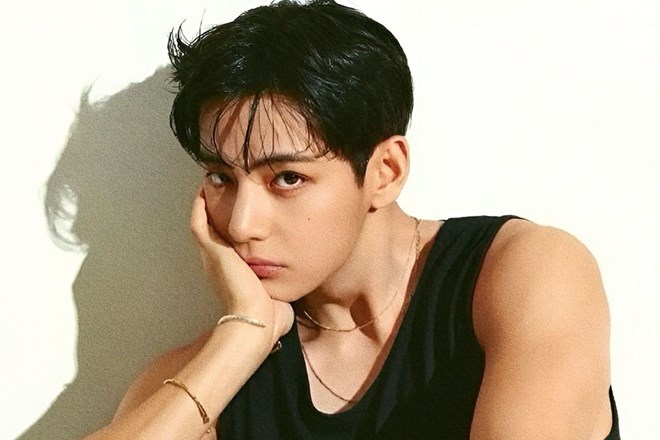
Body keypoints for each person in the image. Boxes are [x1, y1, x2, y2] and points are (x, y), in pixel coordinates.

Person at [85, 0, 619, 438]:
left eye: (287, 177)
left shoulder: (525, 273)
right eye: (221, 177)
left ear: (385, 172)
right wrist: (245, 334)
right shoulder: (215, 373)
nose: (242, 224)